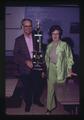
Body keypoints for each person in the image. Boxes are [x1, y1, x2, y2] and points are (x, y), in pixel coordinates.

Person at [14, 18, 44, 112]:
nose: (28, 28)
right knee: (27, 88)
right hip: (24, 68)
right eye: (26, 26)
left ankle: (36, 100)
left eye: (30, 25)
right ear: (22, 26)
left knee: (38, 85)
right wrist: (26, 61)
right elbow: (16, 54)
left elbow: (40, 50)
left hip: (37, 66)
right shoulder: (18, 40)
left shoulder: (37, 37)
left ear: (32, 26)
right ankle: (28, 103)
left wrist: (43, 67)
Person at [45, 25, 76, 114]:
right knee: (50, 89)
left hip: (61, 69)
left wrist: (69, 69)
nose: (55, 36)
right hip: (51, 68)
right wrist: (46, 70)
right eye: (53, 34)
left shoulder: (64, 45)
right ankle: (49, 108)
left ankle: (66, 105)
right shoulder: (49, 46)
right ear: (51, 35)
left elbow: (70, 58)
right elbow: (47, 58)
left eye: (57, 34)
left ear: (60, 35)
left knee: (61, 89)